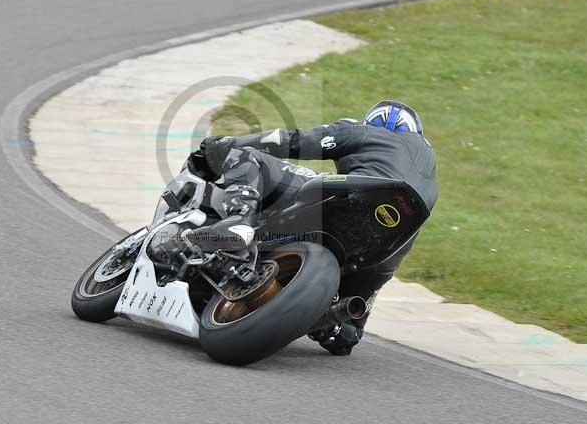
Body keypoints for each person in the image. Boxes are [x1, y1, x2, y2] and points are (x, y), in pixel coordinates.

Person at [185, 100, 437, 355]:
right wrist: (330, 324)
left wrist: (220, 147)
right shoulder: (425, 183)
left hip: (351, 198)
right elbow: (347, 342)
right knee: (347, 331)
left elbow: (292, 141)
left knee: (246, 157)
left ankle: (239, 221)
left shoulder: (362, 131)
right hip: (386, 245)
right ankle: (328, 320)